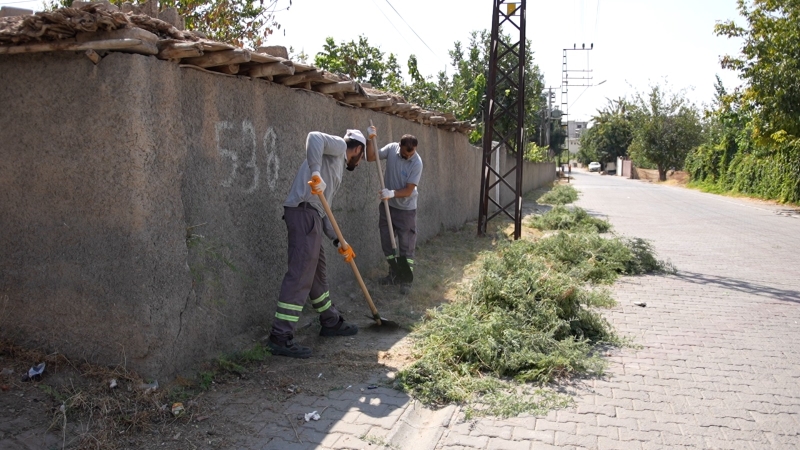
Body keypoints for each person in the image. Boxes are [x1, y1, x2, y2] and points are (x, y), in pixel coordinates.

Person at [267, 129, 374, 358]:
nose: (361, 161)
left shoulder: (333, 166)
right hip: (303, 213)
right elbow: (314, 136)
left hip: (311, 215)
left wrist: (340, 241)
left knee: (317, 274)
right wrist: (315, 173)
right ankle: (280, 336)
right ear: (358, 149)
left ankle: (330, 320)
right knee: (300, 276)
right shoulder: (339, 147)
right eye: (362, 156)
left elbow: (324, 211)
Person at [366, 128, 423, 290]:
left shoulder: (416, 162)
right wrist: (370, 139)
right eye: (406, 153)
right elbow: (371, 157)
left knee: (406, 245)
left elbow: (409, 190)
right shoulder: (391, 149)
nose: (408, 156)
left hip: (406, 210)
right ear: (400, 146)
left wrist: (391, 193)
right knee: (387, 243)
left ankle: (405, 280)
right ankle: (393, 274)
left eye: (411, 154)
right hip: (387, 207)